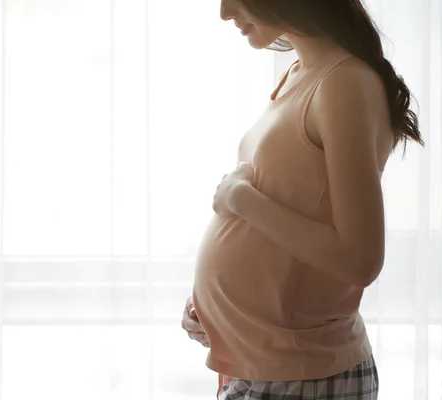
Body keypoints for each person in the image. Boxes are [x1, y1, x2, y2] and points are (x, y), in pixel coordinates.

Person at [181, 0, 424, 399]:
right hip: (269, 368)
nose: (225, 12)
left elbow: (359, 259)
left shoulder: (343, 82)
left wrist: (242, 200)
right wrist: (215, 311)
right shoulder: (300, 74)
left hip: (304, 375)